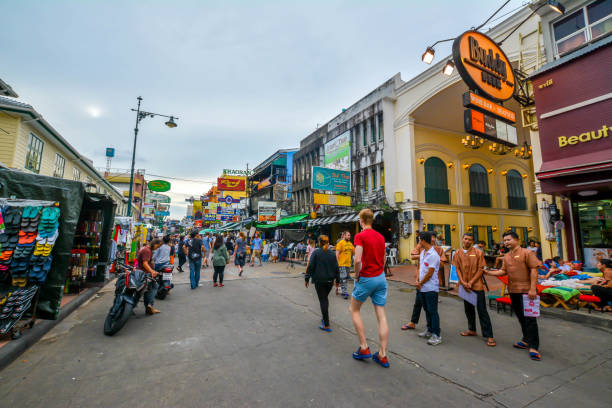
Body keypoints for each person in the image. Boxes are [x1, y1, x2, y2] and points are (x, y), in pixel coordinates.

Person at [485, 231, 542, 361]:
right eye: (504, 240)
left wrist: (533, 288)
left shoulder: (527, 253)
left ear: (516, 239)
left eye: (508, 240)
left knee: (530, 319)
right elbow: (503, 271)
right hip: (513, 290)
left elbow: (534, 270)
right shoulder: (506, 256)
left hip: (527, 290)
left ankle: (534, 346)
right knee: (521, 317)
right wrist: (489, 273)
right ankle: (526, 339)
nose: (506, 242)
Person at [350, 209, 390, 368]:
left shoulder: (360, 236)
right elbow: (384, 257)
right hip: (381, 278)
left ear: (361, 220)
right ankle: (383, 354)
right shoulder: (380, 236)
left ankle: (364, 347)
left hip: (366, 277)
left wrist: (357, 275)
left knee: (354, 309)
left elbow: (358, 259)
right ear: (372, 220)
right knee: (381, 315)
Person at [453, 233, 495, 347]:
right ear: (462, 239)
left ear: (472, 242)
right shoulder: (457, 253)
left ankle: (489, 336)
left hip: (476, 285)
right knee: (468, 309)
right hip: (464, 286)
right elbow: (457, 269)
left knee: (482, 311)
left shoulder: (478, 253)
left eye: (470, 240)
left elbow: (481, 269)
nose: (467, 241)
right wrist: (462, 282)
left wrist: (471, 282)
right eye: (465, 239)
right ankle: (472, 329)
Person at [305, 235, 340, 332]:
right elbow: (336, 269)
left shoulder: (316, 253)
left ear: (319, 242)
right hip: (329, 282)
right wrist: (337, 282)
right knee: (324, 299)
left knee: (323, 300)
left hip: (319, 281)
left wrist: (307, 278)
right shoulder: (332, 254)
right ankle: (325, 318)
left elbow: (311, 266)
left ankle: (326, 325)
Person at [414, 231, 442, 345]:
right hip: (422, 287)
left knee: (433, 311)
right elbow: (420, 268)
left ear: (423, 240)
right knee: (426, 310)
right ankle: (429, 330)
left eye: (419, 240)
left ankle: (437, 334)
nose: (418, 242)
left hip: (430, 288)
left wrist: (421, 282)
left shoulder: (433, 255)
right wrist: (417, 280)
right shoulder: (423, 253)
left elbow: (430, 273)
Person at [137, 239, 162, 315]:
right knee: (154, 286)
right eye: (157, 246)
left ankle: (149, 306)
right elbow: (145, 263)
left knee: (148, 290)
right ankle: (149, 305)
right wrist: (152, 271)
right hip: (145, 273)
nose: (157, 248)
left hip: (145, 273)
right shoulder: (147, 250)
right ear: (154, 244)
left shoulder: (147, 250)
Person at [335, 231, 354, 299]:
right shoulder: (340, 243)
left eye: (350, 235)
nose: (349, 236)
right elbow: (337, 254)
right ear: (344, 235)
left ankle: (339, 287)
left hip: (348, 265)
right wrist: (337, 264)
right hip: (341, 264)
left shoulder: (350, 244)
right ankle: (345, 292)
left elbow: (354, 253)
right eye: (348, 235)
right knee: (344, 278)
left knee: (344, 278)